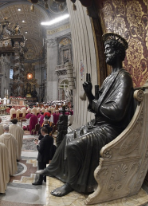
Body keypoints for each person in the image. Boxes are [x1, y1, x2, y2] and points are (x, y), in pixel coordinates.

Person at [37, 33, 134, 196]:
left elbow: (117, 112)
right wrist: (89, 94)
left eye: (109, 50)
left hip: (111, 128)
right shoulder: (109, 78)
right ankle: (54, 169)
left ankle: (72, 183)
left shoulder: (124, 78)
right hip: (100, 123)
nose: (105, 53)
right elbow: (93, 107)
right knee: (67, 138)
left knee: (74, 146)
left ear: (118, 53)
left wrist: (96, 103)